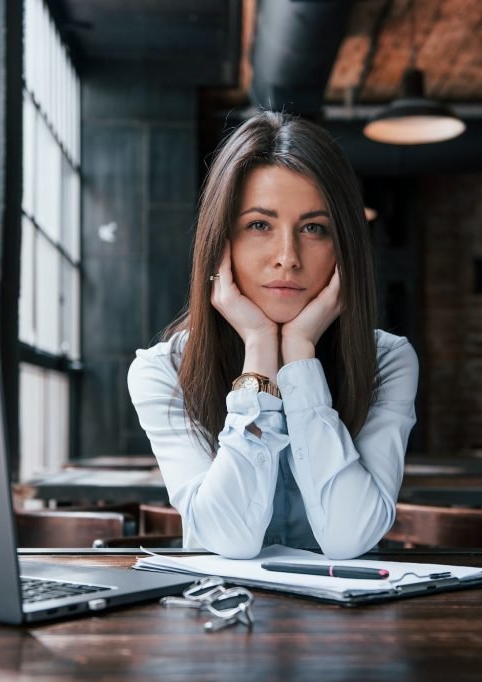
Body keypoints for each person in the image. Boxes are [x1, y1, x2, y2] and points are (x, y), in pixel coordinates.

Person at [128, 111, 418, 560]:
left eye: (314, 228)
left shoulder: (388, 360)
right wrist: (260, 348)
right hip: (218, 619)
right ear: (220, 241)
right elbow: (228, 539)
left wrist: (300, 355)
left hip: (348, 625)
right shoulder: (162, 369)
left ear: (344, 248)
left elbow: (348, 538)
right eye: (259, 225)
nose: (288, 257)